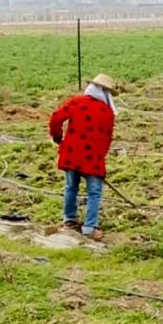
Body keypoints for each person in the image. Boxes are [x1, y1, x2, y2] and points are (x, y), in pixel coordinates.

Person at [49, 73, 118, 241]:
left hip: (72, 152)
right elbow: (107, 138)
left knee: (71, 187)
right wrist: (101, 155)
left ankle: (69, 221)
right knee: (94, 192)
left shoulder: (76, 102)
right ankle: (89, 227)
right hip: (94, 158)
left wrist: (58, 137)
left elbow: (56, 118)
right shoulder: (108, 112)